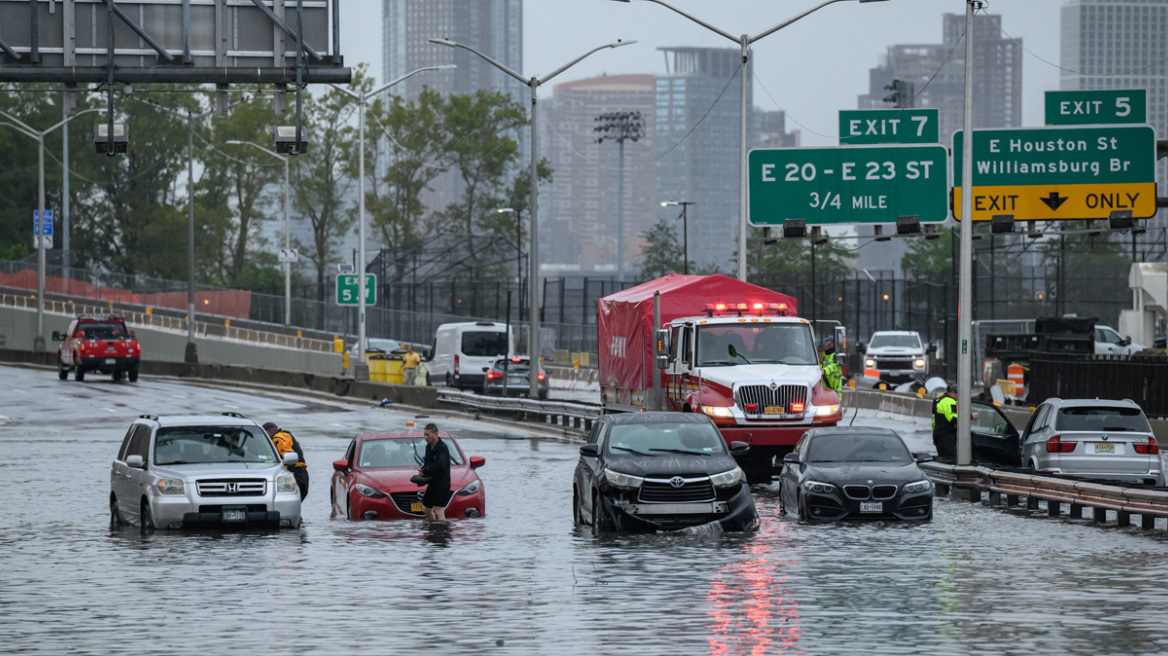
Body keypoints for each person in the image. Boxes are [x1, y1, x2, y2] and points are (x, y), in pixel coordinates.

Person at [264, 422, 309, 500]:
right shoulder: (285, 435)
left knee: (289, 501)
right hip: (302, 472)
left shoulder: (278, 438)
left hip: (296, 474)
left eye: (265, 433)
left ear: (270, 431)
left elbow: (288, 454)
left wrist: (286, 473)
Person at [418, 423, 452, 522]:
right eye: (424, 435)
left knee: (439, 510)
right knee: (426, 509)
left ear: (436, 434)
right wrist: (422, 470)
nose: (425, 437)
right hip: (432, 483)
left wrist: (425, 470)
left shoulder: (442, 448)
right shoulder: (428, 447)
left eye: (428, 435)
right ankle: (433, 529)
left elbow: (440, 464)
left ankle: (441, 533)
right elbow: (428, 463)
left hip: (442, 484)